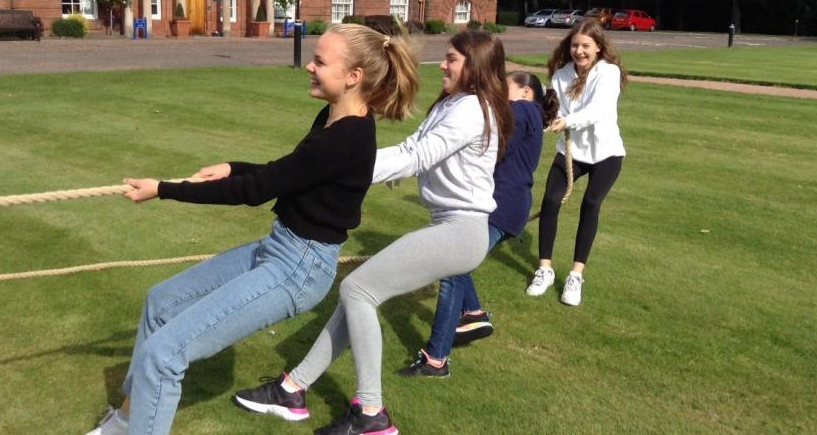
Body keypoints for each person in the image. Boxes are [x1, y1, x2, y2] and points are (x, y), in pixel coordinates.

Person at [84, 23, 420, 435]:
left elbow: (257, 191)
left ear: (354, 77)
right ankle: (128, 421)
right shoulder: (334, 120)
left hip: (298, 269)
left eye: (320, 61)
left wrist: (165, 189)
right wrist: (233, 167)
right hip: (281, 249)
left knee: (164, 355)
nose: (309, 67)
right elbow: (288, 174)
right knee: (161, 303)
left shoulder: (345, 139)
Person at [234, 30, 513, 435]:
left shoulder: (472, 109)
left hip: (462, 230)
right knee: (359, 295)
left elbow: (418, 156)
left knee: (357, 290)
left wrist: (344, 166)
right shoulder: (454, 104)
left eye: (452, 59)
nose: (444, 65)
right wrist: (345, 165)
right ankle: (292, 389)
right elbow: (412, 148)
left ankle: (371, 415)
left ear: (476, 66)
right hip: (452, 227)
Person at [398, 71, 559, 377]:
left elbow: (493, 143)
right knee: (456, 263)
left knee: (451, 267)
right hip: (504, 206)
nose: (499, 89)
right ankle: (473, 313)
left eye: (506, 85)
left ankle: (437, 359)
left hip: (500, 206)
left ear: (525, 92)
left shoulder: (523, 110)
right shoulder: (530, 114)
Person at [526, 19, 627, 306]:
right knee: (550, 201)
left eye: (585, 46)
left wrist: (568, 120)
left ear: (598, 47)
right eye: (574, 45)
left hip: (606, 153)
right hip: (571, 151)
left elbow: (599, 109)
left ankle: (575, 275)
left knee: (591, 204)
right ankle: (544, 269)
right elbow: (551, 105)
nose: (579, 51)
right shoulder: (561, 75)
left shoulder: (608, 73)